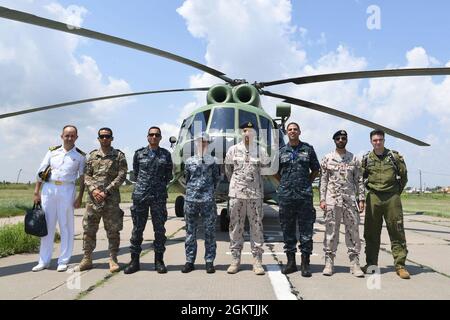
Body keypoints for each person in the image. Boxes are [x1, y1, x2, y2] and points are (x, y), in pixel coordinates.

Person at [32, 125, 86, 272]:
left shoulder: (80, 156)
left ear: (76, 137)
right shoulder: (52, 151)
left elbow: (82, 179)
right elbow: (41, 171)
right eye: (66, 135)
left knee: (66, 226)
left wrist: (80, 196)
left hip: (67, 189)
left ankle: (63, 260)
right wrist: (36, 191)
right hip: (49, 189)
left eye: (72, 135)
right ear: (61, 136)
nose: (69, 138)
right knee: (47, 225)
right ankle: (44, 260)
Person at [76, 128, 128, 273]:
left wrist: (106, 191)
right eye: (102, 136)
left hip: (111, 200)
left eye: (107, 136)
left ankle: (113, 258)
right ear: (98, 138)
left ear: (112, 138)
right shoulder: (92, 156)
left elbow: (122, 175)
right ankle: (87, 258)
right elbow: (86, 175)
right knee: (89, 230)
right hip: (93, 200)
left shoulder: (118, 156)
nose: (105, 139)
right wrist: (94, 190)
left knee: (113, 230)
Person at [361, 129, 410, 279]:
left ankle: (400, 266)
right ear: (371, 141)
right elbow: (360, 178)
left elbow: (404, 176)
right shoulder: (366, 159)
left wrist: (395, 193)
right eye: (375, 140)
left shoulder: (394, 157)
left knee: (397, 231)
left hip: (392, 198)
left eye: (380, 140)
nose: (378, 142)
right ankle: (371, 264)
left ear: (384, 140)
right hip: (374, 197)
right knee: (371, 233)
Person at [124, 126, 173, 274]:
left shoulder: (166, 154)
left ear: (160, 138)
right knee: (137, 229)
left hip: (158, 196)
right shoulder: (139, 154)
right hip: (141, 196)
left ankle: (159, 261)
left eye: (157, 135)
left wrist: (158, 185)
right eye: (151, 135)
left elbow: (168, 175)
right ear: (147, 137)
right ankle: (134, 261)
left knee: (159, 230)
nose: (154, 137)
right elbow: (136, 173)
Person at [225, 121, 270, 275]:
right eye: (245, 130)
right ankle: (235, 259)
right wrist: (238, 184)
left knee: (256, 226)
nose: (247, 133)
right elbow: (228, 170)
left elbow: (264, 171)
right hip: (237, 194)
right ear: (241, 133)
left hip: (255, 195)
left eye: (250, 131)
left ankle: (257, 261)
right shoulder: (232, 150)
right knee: (235, 226)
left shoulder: (261, 151)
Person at [319, 130, 365, 277]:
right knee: (331, 232)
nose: (340, 140)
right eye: (338, 138)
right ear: (334, 140)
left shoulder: (354, 159)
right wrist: (322, 199)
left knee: (353, 232)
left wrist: (361, 199)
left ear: (346, 140)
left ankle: (355, 263)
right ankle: (329, 262)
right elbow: (323, 180)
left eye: (343, 138)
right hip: (332, 200)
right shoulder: (327, 158)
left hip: (350, 200)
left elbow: (359, 180)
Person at [277, 122, 320, 277]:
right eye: (290, 130)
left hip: (304, 196)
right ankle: (291, 263)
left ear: (299, 132)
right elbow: (275, 171)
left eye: (295, 129)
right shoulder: (281, 151)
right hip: (286, 196)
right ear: (287, 133)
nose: (293, 131)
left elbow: (316, 169)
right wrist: (283, 183)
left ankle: (305, 263)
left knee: (306, 231)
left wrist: (307, 182)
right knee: (287, 229)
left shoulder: (308, 149)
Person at [182, 132, 220, 274]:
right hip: (191, 200)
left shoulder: (214, 161)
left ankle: (209, 261)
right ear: (196, 143)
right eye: (200, 141)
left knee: (210, 232)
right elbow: (187, 180)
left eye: (205, 141)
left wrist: (209, 192)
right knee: (190, 232)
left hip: (207, 201)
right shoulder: (189, 161)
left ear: (208, 143)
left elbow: (217, 179)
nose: (202, 143)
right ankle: (189, 261)